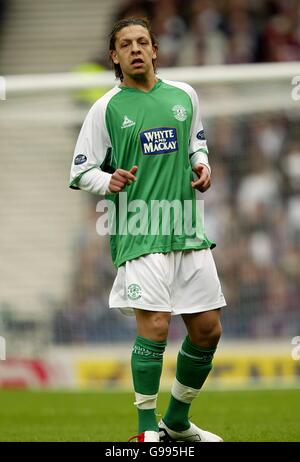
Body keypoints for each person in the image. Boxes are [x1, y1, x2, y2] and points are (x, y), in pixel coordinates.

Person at [69, 17, 226, 443]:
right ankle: (144, 432)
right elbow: (81, 170)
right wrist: (108, 180)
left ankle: (175, 421)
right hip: (139, 231)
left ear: (154, 50)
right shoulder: (105, 108)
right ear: (115, 57)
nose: (135, 49)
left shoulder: (184, 96)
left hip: (187, 229)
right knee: (155, 325)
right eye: (126, 44)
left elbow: (196, 140)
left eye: (142, 42)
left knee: (208, 328)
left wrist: (202, 164)